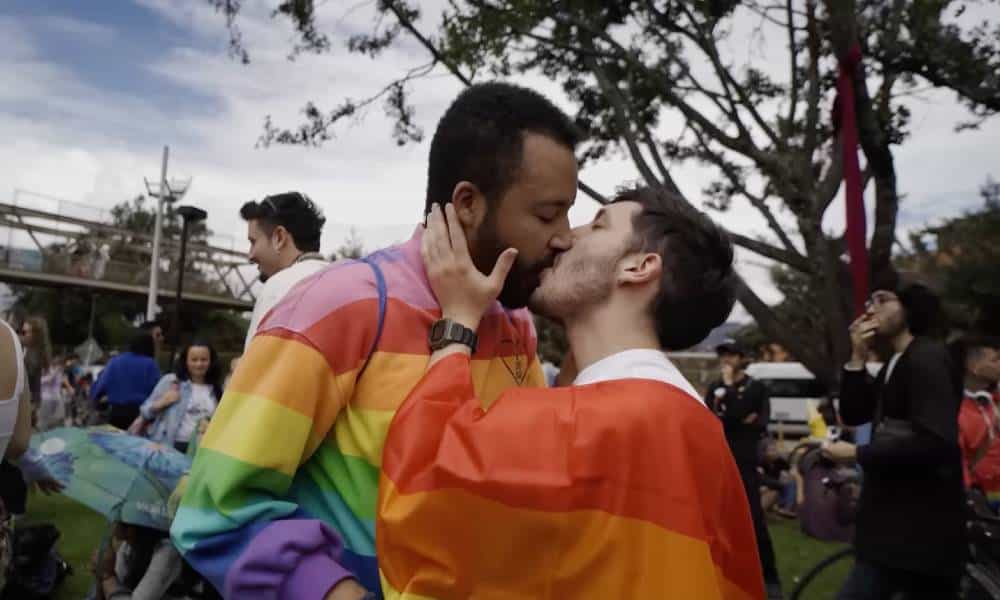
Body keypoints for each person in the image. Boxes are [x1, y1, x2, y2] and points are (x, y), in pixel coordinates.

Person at [172, 81, 580, 599]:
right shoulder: (342, 304)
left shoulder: (515, 324)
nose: (565, 234)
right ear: (468, 203)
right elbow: (216, 511)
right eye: (547, 214)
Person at [375, 189, 764, 598]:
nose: (563, 238)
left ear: (638, 267)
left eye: (597, 225)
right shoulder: (698, 431)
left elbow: (422, 490)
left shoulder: (589, 421)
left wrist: (458, 321)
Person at [825, 281, 965, 599]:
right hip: (895, 528)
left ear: (909, 307)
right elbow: (855, 412)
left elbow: (935, 441)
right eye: (869, 301)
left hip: (917, 528)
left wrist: (860, 453)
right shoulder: (897, 362)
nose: (870, 308)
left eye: (882, 299)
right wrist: (857, 357)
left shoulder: (928, 359)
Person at [705, 339, 781, 597]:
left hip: (745, 460)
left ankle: (770, 578)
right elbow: (710, 420)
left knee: (753, 518)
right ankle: (722, 574)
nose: (726, 361)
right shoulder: (715, 387)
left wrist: (731, 405)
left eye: (731, 356)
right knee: (718, 518)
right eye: (722, 355)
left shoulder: (756, 388)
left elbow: (754, 421)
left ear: (741, 358)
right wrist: (734, 416)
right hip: (720, 458)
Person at [240, 192, 328, 351]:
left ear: (279, 238)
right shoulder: (348, 284)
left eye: (253, 242)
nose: (250, 255)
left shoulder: (277, 288)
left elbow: (256, 371)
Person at [137, 341, 223, 454]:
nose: (199, 364)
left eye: (204, 359)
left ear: (211, 361)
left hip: (200, 450)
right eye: (194, 359)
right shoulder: (171, 381)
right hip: (168, 447)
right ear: (185, 361)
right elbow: (145, 411)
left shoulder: (217, 389)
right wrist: (161, 403)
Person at [952, 336, 1000, 506]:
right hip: (985, 499)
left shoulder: (994, 401)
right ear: (974, 367)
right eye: (996, 359)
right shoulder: (958, 413)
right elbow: (961, 462)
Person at [91, 521, 183, 600]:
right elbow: (112, 593)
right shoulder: (128, 546)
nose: (114, 528)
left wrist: (108, 576)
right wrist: (100, 576)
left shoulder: (167, 552)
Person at [91, 331, 162, 430]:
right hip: (140, 416)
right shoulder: (151, 365)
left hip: (115, 413)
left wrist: (97, 397)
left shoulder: (115, 361)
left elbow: (100, 385)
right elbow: (158, 390)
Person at [20, 316, 52, 417]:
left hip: (23, 405)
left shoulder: (34, 357)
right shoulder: (25, 350)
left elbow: (34, 386)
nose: (21, 335)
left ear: (35, 335)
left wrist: (32, 406)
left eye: (24, 332)